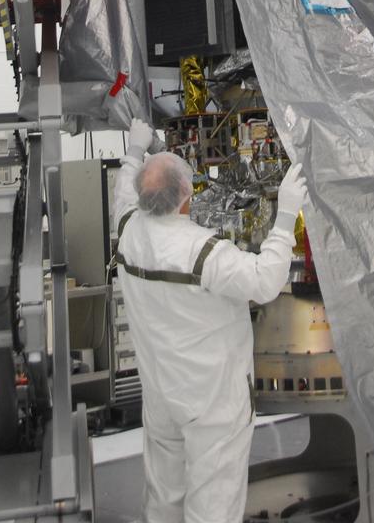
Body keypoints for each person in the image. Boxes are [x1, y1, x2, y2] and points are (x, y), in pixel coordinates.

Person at [113, 119, 309, 523]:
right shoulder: (201, 252)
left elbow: (123, 189)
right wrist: (287, 212)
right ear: (186, 195)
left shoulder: (128, 230)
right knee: (212, 507)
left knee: (164, 499)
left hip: (161, 395)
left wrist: (135, 150)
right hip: (212, 402)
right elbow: (265, 281)